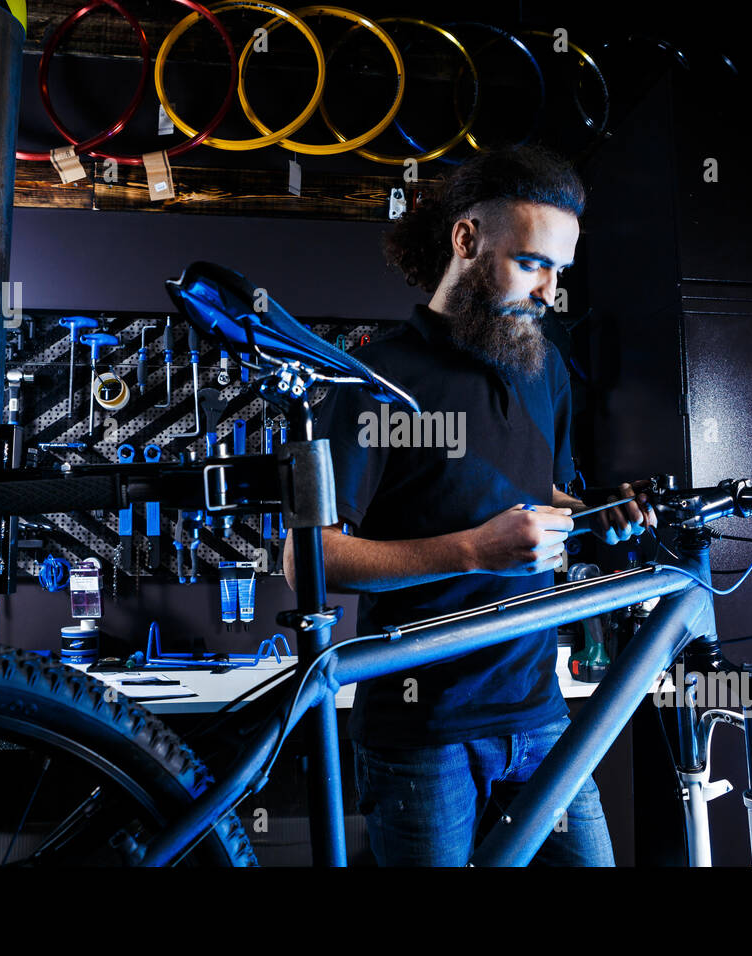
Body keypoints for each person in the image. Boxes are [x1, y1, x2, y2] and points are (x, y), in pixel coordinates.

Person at [284, 144, 657, 866]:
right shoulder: (378, 380)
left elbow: (544, 494)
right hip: (424, 731)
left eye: (559, 271)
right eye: (533, 263)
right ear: (467, 239)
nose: (551, 291)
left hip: (541, 714)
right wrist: (472, 550)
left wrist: (593, 511)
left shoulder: (543, 369)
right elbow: (310, 564)